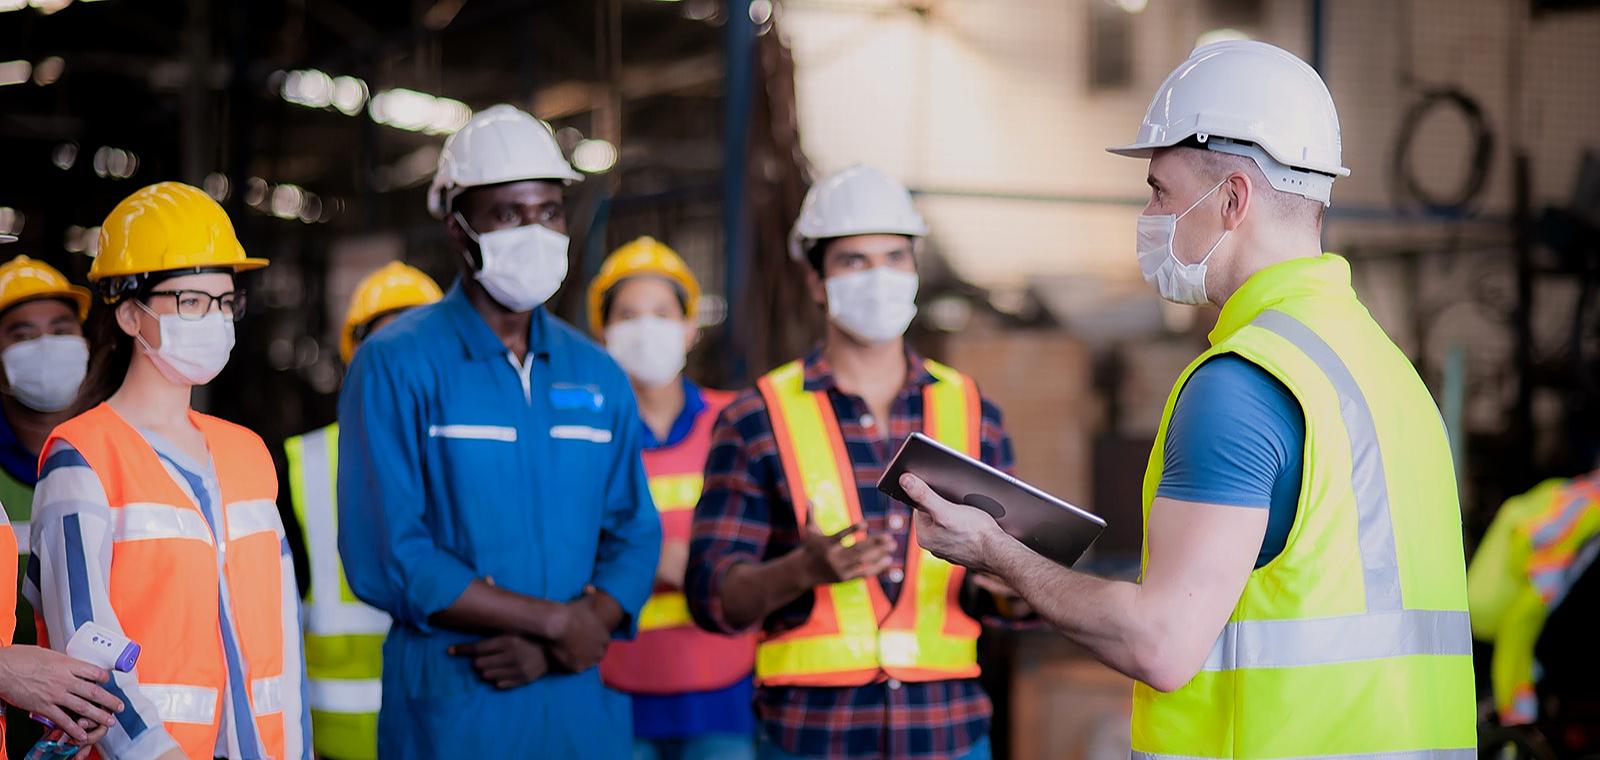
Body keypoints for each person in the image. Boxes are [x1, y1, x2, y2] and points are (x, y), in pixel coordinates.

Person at [897, 40, 1476, 757]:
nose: (1148, 214)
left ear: (1233, 199)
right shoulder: (1388, 373)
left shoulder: (1241, 383)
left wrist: (994, 550)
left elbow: (1160, 642)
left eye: (1160, 191)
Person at [337, 104, 660, 759]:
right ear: (459, 229)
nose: (533, 230)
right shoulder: (396, 363)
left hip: (577, 707)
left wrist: (578, 630)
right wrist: (552, 620)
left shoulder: (597, 375)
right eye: (507, 214)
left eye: (547, 211)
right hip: (458, 703)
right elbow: (392, 554)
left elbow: (635, 530)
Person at [685, 164, 1024, 760]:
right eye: (853, 261)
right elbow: (714, 601)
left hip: (947, 732)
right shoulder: (754, 418)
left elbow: (991, 585)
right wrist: (799, 571)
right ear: (816, 281)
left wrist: (1015, 590)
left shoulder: (976, 413)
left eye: (896, 257)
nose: (880, 277)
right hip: (811, 735)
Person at [25, 181, 311, 759]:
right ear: (131, 315)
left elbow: (285, 642)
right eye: (191, 302)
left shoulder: (249, 454)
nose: (216, 319)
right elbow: (87, 648)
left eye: (226, 301)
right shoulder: (81, 455)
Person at [588, 238, 757, 760]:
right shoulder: (580, 435)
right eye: (629, 315)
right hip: (612, 689)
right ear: (603, 332)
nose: (646, 329)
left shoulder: (738, 422)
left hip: (725, 691)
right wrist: (645, 561)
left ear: (690, 327)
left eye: (662, 313)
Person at [283, 262, 442, 760]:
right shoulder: (298, 466)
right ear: (356, 360)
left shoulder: (482, 453)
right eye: (387, 344)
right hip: (338, 741)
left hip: (451, 730)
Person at [0, 252, 121, 759]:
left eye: (59, 327)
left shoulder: (124, 456)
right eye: (23, 334)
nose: (45, 346)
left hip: (113, 732)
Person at [1468, 471, 1600, 725]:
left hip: (1501, 599)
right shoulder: (1585, 507)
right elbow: (1531, 537)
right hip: (1507, 604)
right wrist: (1520, 716)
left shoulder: (1573, 494)